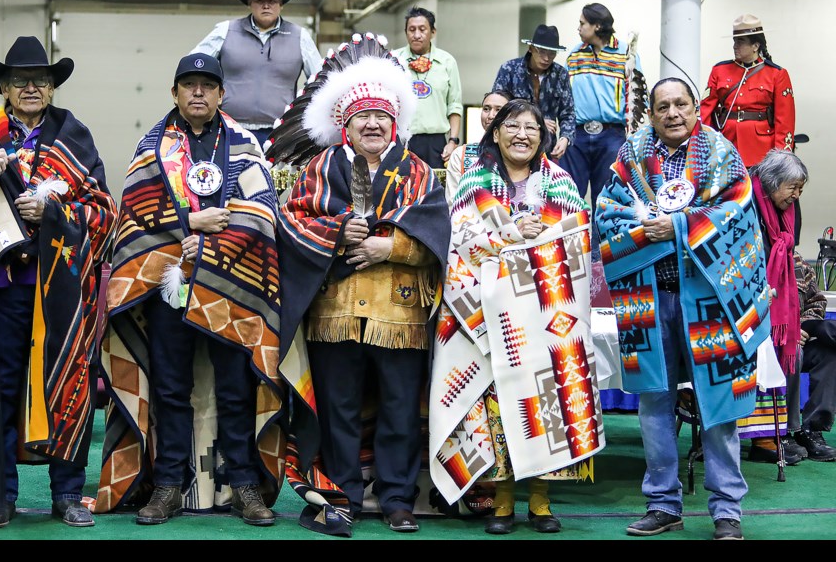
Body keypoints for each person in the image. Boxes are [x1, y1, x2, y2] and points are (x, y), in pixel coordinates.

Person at [94, 53, 286, 527]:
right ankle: (167, 487)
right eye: (189, 85)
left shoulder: (243, 144)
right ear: (175, 93)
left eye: (207, 85)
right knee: (170, 388)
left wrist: (214, 247)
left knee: (237, 389)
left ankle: (245, 485)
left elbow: (264, 212)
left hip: (229, 287)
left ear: (222, 95)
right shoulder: (153, 146)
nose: (198, 93)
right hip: (167, 285)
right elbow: (133, 216)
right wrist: (186, 226)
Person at [0, 36, 116, 528]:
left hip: (61, 289)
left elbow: (103, 211)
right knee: (1, 388)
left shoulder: (73, 134)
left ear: (53, 88)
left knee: (70, 385)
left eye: (40, 80)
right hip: (4, 289)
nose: (31, 87)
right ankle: (2, 496)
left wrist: (54, 210)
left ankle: (69, 495)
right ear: (6, 89)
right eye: (20, 81)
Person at [276, 38, 451, 536]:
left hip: (400, 313)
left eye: (380, 116)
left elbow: (440, 237)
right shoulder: (318, 168)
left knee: (400, 409)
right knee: (338, 409)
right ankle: (342, 495)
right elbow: (290, 223)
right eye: (361, 118)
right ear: (345, 126)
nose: (372, 125)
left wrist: (387, 248)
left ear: (394, 123)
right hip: (334, 311)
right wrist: (335, 233)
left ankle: (398, 499)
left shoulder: (419, 172)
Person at [595, 77, 774, 541]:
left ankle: (726, 510)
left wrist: (674, 227)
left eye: (681, 104)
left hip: (712, 299)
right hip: (648, 300)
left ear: (697, 108)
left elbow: (736, 214)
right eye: (662, 106)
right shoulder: (631, 158)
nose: (672, 113)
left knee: (718, 408)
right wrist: (643, 228)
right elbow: (607, 215)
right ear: (650, 114)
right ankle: (662, 504)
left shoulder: (721, 154)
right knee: (655, 401)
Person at [430, 99, 605, 536]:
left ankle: (542, 500)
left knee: (549, 399)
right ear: (496, 132)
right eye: (512, 126)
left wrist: (538, 238)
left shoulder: (562, 183)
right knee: (499, 405)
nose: (521, 134)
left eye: (531, 127)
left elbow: (576, 244)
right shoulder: (474, 181)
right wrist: (510, 234)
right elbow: (461, 242)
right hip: (490, 314)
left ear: (543, 136)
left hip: (547, 313)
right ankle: (504, 497)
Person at [190, 0, 323, 149]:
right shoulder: (226, 31)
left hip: (279, 134)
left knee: (274, 177)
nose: (266, 5)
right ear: (250, 3)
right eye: (260, 0)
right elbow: (193, 65)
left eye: (272, 1)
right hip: (228, 130)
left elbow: (320, 81)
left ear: (281, 4)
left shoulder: (300, 36)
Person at [738, 149, 808, 466]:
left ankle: (788, 432)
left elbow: (793, 264)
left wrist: (799, 319)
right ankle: (765, 438)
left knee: (799, 345)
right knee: (771, 345)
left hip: (782, 303)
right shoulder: (744, 202)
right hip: (746, 302)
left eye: (801, 189)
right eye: (792, 187)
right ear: (771, 181)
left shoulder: (791, 209)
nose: (796, 196)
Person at [564, 3, 643, 211]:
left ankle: (601, 245)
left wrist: (633, 137)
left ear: (597, 26)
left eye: (582, 23)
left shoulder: (626, 54)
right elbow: (563, 98)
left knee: (607, 198)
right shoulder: (574, 55)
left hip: (612, 137)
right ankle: (573, 243)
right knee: (569, 196)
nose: (578, 28)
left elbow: (637, 97)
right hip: (576, 136)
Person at [699, 14, 796, 169]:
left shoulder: (776, 74)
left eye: (740, 41)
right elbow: (705, 110)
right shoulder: (720, 70)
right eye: (734, 41)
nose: (735, 45)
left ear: (755, 46)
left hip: (761, 150)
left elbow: (784, 121)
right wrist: (705, 144)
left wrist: (781, 158)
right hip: (725, 146)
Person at [392, 6, 463, 170]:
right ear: (406, 32)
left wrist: (453, 141)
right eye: (412, 30)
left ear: (433, 32)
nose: (417, 35)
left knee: (434, 189)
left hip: (436, 143)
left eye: (422, 29)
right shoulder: (395, 60)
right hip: (401, 139)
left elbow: (454, 104)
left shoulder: (447, 62)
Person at [492, 24, 575, 160]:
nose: (547, 58)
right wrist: (539, 122)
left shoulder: (561, 74)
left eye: (552, 53)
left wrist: (565, 138)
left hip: (546, 147)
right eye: (542, 52)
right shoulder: (509, 69)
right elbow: (498, 107)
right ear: (531, 49)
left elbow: (568, 113)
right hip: (513, 142)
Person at [790, 251, 836, 462]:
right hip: (766, 343)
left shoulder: (797, 260)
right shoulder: (752, 256)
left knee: (829, 353)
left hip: (799, 337)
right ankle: (779, 431)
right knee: (793, 353)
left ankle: (811, 429)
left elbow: (816, 301)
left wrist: (805, 328)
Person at [444, 89, 512, 201]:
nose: (491, 115)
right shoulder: (461, 155)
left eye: (498, 110)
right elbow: (452, 201)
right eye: (486, 109)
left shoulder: (520, 154)